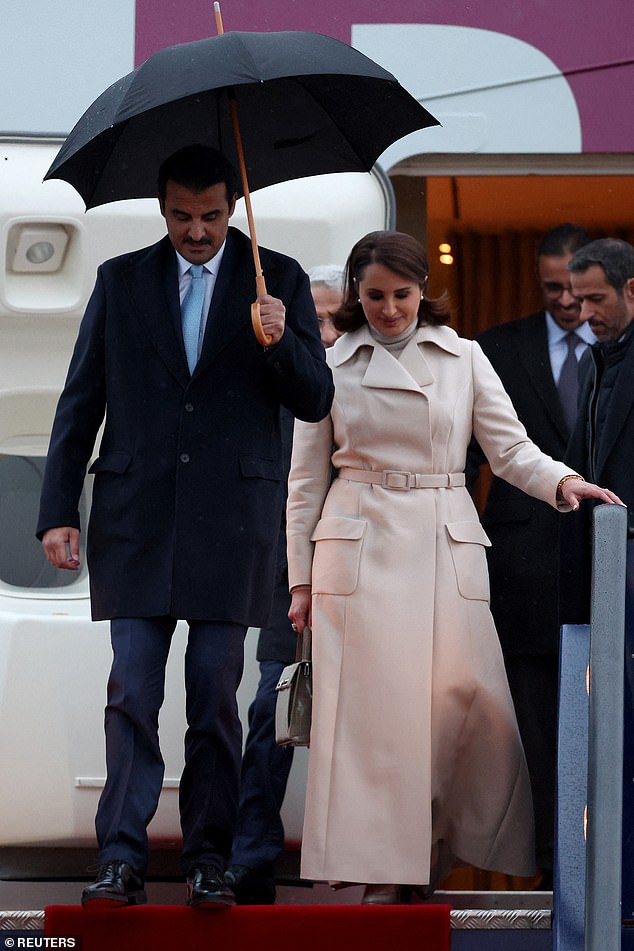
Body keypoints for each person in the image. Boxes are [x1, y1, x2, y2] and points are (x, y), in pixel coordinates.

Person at [36, 144, 334, 909]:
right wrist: (57, 511)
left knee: (214, 695)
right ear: (161, 208)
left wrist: (283, 340)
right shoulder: (121, 279)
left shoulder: (283, 279)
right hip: (135, 521)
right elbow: (81, 402)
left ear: (231, 207)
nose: (195, 231)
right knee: (131, 691)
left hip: (234, 524)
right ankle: (120, 858)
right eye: (180, 216)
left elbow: (314, 399)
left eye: (208, 216)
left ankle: (209, 858)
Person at [285, 230, 620, 905]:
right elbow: (303, 483)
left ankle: (430, 852)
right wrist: (298, 579)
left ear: (422, 293)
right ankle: (389, 869)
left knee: (461, 711)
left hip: (443, 541)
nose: (388, 309)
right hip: (360, 551)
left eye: (401, 295)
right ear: (357, 294)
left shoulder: (464, 356)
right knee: (375, 724)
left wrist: (565, 483)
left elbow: (511, 447)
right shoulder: (330, 363)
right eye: (374, 295)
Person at [466, 223, 594, 885]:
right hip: (522, 564)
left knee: (605, 719)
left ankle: (607, 856)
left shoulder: (624, 347)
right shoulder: (496, 348)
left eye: (575, 287)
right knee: (534, 724)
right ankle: (549, 862)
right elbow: (465, 462)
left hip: (608, 564)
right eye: (552, 288)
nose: (566, 302)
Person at [226, 265, 344, 905]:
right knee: (271, 709)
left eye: (334, 318)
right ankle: (251, 859)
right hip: (288, 573)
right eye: (315, 319)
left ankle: (386, 861)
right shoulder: (275, 375)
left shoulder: (372, 374)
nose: (324, 332)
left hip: (368, 568)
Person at [563, 237, 634, 620]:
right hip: (603, 558)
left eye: (595, 298)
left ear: (631, 288)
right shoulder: (591, 362)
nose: (584, 313)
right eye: (580, 301)